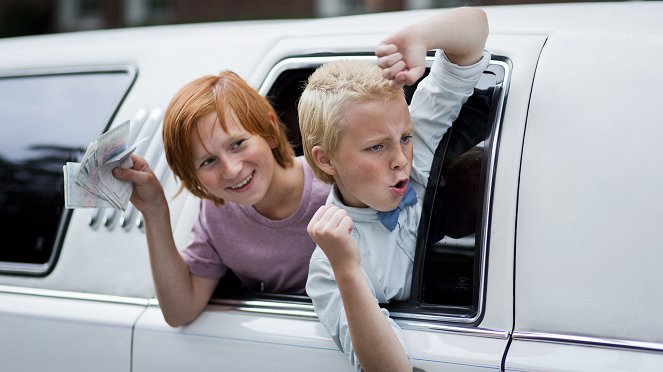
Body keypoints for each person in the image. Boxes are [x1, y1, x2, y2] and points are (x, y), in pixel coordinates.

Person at [298, 7, 490, 371]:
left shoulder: (416, 152)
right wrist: (348, 269)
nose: (401, 158)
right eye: (376, 147)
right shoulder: (330, 264)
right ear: (325, 160)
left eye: (404, 137)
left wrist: (421, 36)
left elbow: (475, 31)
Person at [113, 71, 331, 327]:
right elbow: (179, 311)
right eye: (208, 161)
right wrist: (154, 211)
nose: (232, 169)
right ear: (192, 175)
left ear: (270, 130)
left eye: (237, 144)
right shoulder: (217, 213)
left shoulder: (335, 186)